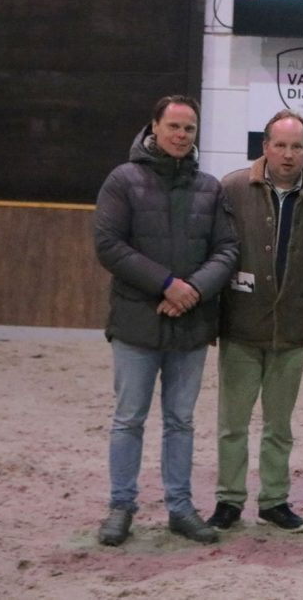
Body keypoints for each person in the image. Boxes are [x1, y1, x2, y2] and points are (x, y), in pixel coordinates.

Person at [93, 94, 239, 546]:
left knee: (181, 421)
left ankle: (180, 507)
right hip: (137, 324)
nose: (181, 136)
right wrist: (167, 285)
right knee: (128, 420)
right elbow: (109, 245)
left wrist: (191, 290)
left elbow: (228, 250)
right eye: (173, 127)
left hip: (189, 325)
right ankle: (122, 507)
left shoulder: (210, 188)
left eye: (189, 129)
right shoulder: (122, 181)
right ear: (153, 127)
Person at [206, 109, 303, 534]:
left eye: (297, 146)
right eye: (281, 145)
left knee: (279, 426)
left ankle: (274, 500)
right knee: (232, 424)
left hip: (293, 329)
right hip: (240, 326)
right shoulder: (232, 189)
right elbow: (213, 245)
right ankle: (229, 501)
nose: (288, 155)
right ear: (265, 147)